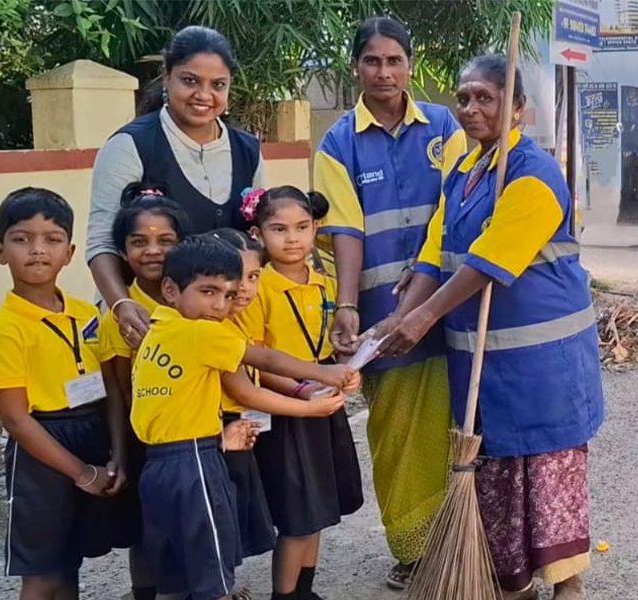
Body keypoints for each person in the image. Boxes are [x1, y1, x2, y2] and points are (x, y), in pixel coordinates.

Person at [376, 55, 605, 600]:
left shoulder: (534, 174)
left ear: (517, 108)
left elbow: (489, 261)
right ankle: (513, 582)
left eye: (485, 97)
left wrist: (423, 318)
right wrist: (402, 314)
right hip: (482, 358)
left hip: (543, 360)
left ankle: (567, 582)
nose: (470, 108)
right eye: (463, 98)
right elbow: (435, 252)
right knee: (497, 470)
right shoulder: (464, 172)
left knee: (547, 470)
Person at [312, 16, 466, 588]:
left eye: (394, 60)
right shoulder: (338, 143)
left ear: (410, 65)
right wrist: (347, 306)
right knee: (397, 432)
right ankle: (413, 548)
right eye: (372, 61)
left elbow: (456, 209)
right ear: (356, 67)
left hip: (449, 304)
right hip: (382, 317)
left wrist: (425, 280)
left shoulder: (445, 126)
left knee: (462, 422)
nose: (384, 72)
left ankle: (465, 543)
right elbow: (345, 230)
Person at [131, 236, 358, 600]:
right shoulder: (202, 332)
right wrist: (323, 373)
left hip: (157, 465)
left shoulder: (159, 329)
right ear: (171, 290)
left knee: (174, 577)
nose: (219, 305)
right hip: (195, 465)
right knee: (213, 580)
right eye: (208, 292)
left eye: (228, 295)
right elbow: (265, 359)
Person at [0, 188, 129, 600]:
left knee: (70, 561)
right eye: (21, 239)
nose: (38, 250)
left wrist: (117, 455)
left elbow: (112, 390)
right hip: (41, 450)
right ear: (0, 252)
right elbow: (16, 419)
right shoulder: (5, 331)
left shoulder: (86, 313)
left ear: (69, 252)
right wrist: (82, 473)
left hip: (91, 430)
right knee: (43, 570)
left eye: (52, 239)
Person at [87, 25, 264, 351]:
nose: (204, 95)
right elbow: (102, 242)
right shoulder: (131, 146)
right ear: (166, 77)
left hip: (224, 328)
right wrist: (121, 305)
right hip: (147, 327)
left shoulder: (247, 149)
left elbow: (257, 237)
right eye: (190, 81)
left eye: (218, 85)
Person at [237, 186, 365, 600]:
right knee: (298, 515)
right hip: (286, 410)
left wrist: (345, 374)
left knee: (319, 509)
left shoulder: (326, 284)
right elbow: (255, 361)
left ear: (316, 228)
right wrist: (303, 388)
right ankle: (285, 594)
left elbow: (329, 349)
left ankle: (304, 591)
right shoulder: (257, 289)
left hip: (322, 403)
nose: (292, 238)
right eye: (279, 229)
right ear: (257, 234)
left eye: (302, 227)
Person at [99, 184, 192, 600]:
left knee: (194, 519)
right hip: (147, 440)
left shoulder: (194, 303)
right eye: (139, 242)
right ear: (123, 251)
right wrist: (124, 451)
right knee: (146, 527)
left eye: (165, 241)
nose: (152, 251)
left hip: (196, 433)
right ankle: (144, 592)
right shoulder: (119, 318)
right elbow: (120, 393)